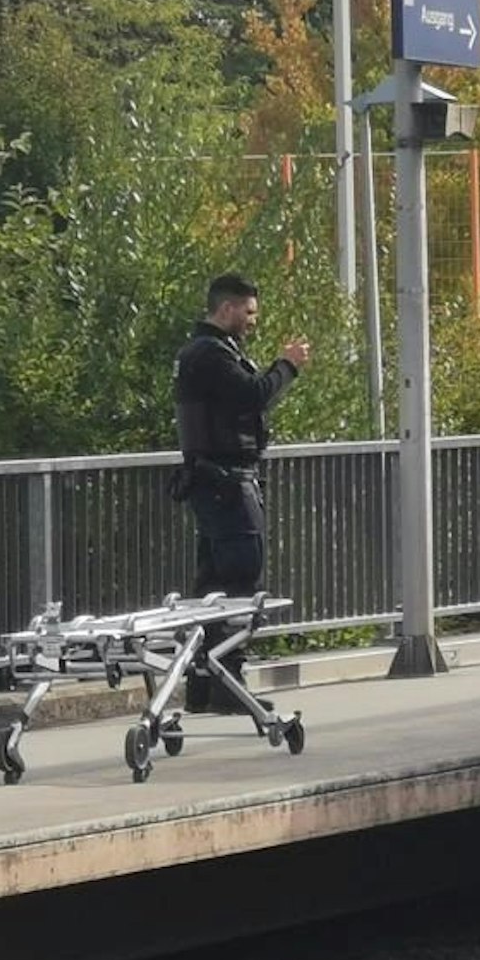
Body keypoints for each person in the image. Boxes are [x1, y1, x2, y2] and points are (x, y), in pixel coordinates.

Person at [172, 273, 309, 714]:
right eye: (249, 313)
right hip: (226, 484)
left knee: (210, 588)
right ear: (227, 309)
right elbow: (252, 396)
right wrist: (286, 365)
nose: (253, 321)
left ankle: (202, 686)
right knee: (239, 582)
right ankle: (228, 685)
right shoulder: (209, 355)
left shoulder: (206, 352)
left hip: (216, 484)